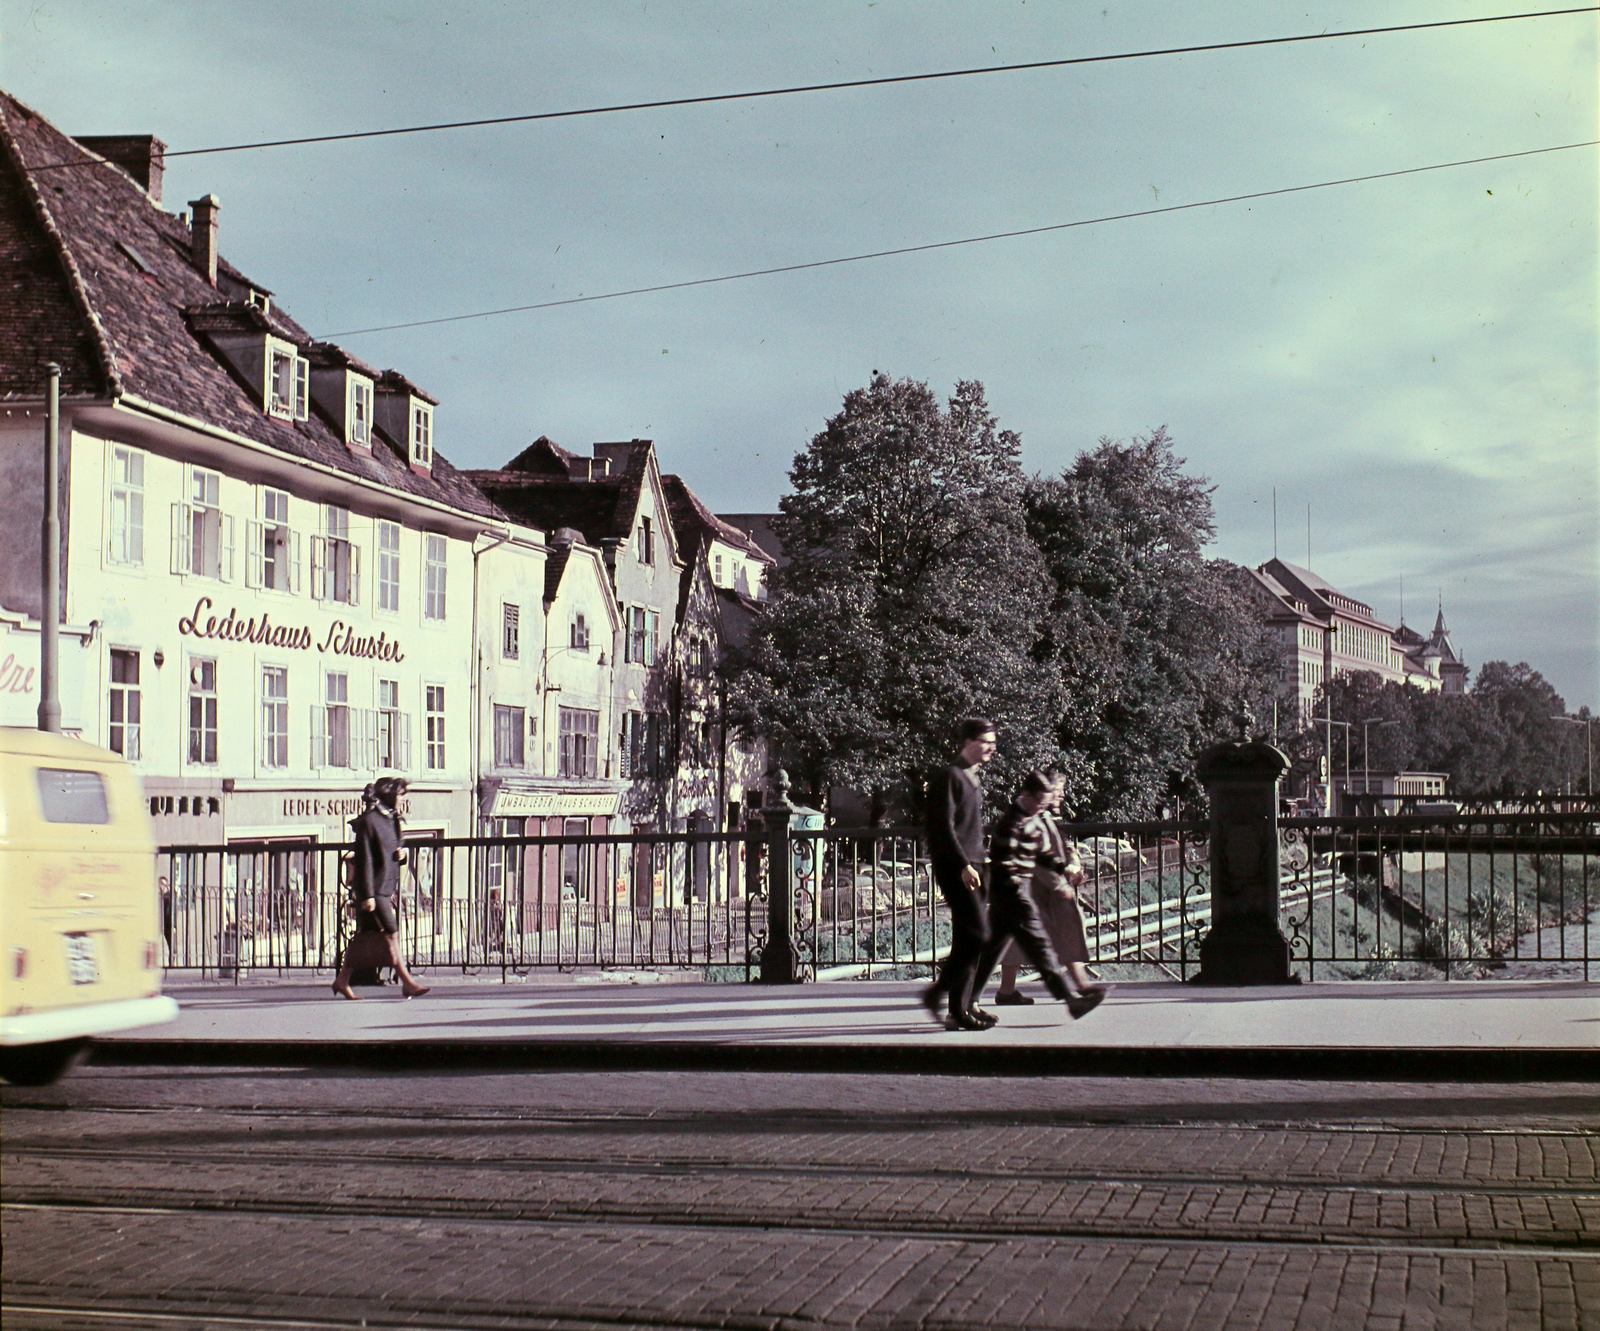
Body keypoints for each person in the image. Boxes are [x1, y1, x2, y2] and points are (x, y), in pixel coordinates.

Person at [971, 771, 1105, 1021]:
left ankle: (967, 1002)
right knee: (1041, 950)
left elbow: (1039, 854)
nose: (1042, 807)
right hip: (1013, 895)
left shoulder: (1029, 817)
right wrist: (1019, 895)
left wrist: (1062, 867)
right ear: (1027, 796)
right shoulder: (1012, 822)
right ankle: (1071, 1000)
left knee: (991, 953)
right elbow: (1005, 862)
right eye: (1040, 802)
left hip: (1009, 897)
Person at [922, 717, 997, 1031]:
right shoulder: (949, 776)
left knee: (969, 937)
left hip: (976, 864)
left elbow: (967, 828)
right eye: (986, 741)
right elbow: (942, 828)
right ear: (968, 742)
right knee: (978, 934)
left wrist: (980, 858)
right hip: (959, 867)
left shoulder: (972, 777)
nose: (992, 747)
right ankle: (941, 995)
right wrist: (963, 864)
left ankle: (959, 1008)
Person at [332, 777, 430, 1000]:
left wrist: (401, 856)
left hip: (385, 887)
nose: (402, 799)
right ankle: (407, 982)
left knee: (362, 938)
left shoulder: (392, 819)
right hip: (374, 891)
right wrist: (366, 895)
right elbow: (364, 859)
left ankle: (342, 980)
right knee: (392, 934)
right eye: (399, 794)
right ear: (388, 795)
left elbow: (393, 850)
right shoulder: (370, 821)